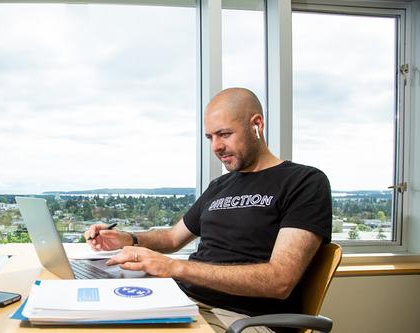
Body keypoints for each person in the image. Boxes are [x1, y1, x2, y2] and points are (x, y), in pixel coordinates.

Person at [84, 88, 332, 333]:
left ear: (256, 124)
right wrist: (128, 238)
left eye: (224, 134)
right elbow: (172, 238)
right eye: (210, 137)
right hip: (185, 300)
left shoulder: (304, 182)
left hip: (241, 318)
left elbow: (280, 280)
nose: (216, 147)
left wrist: (175, 268)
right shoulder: (220, 186)